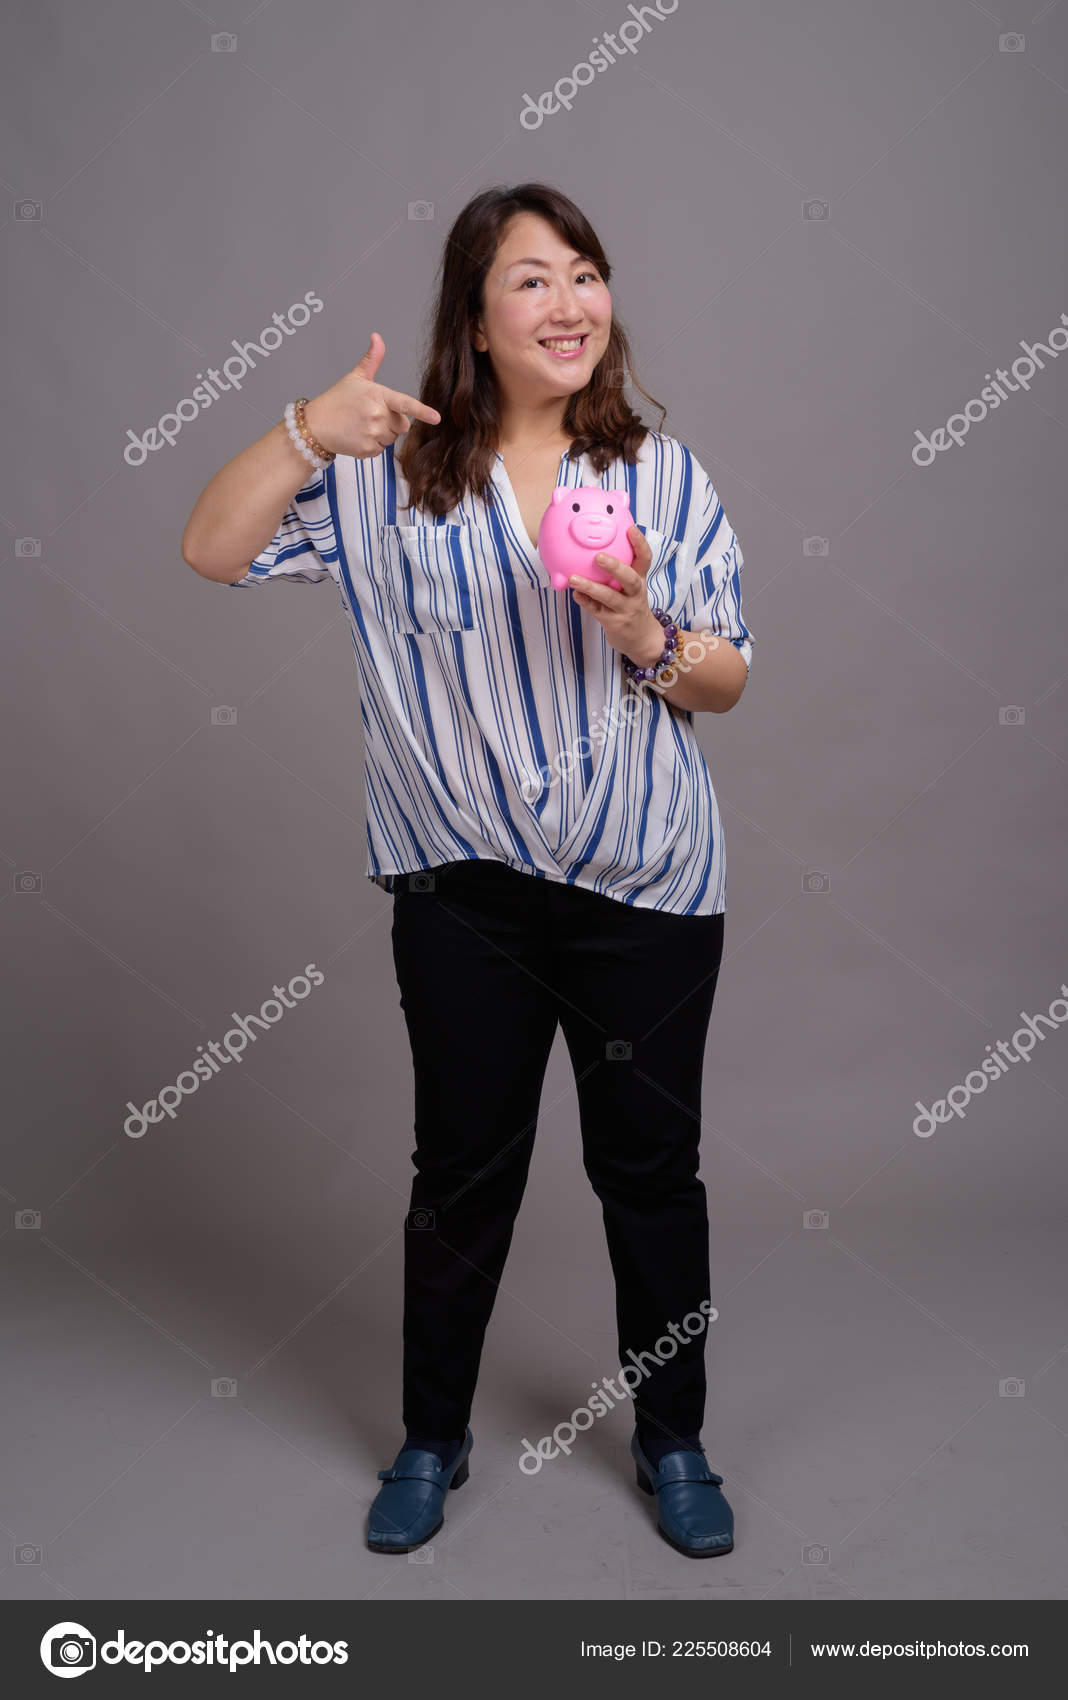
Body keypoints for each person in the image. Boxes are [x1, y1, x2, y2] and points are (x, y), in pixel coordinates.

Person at [181, 181, 755, 1562]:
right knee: (460, 1176)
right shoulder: (384, 478)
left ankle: (674, 1438)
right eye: (531, 281)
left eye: (584, 274)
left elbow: (727, 678)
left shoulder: (659, 476)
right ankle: (430, 1438)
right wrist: (305, 430)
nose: (568, 302)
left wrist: (641, 631)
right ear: (477, 320)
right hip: (465, 894)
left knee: (652, 1175)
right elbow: (212, 547)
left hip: (645, 887)